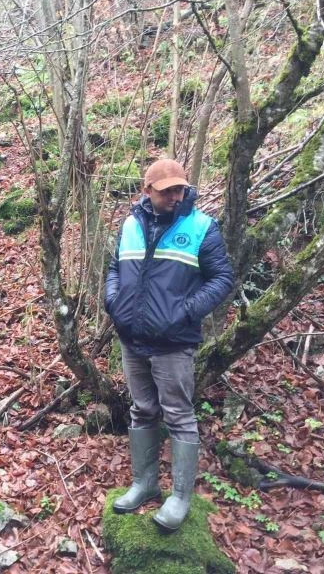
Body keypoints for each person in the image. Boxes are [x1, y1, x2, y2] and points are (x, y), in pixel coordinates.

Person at [104, 159, 233, 532]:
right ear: (147, 191)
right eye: (167, 191)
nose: (176, 196)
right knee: (143, 409)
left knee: (178, 414)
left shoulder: (200, 226)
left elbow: (222, 277)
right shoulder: (130, 224)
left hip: (174, 341)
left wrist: (185, 311)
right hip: (133, 338)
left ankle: (179, 496)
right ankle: (144, 483)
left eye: (180, 189)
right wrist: (114, 302)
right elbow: (115, 268)